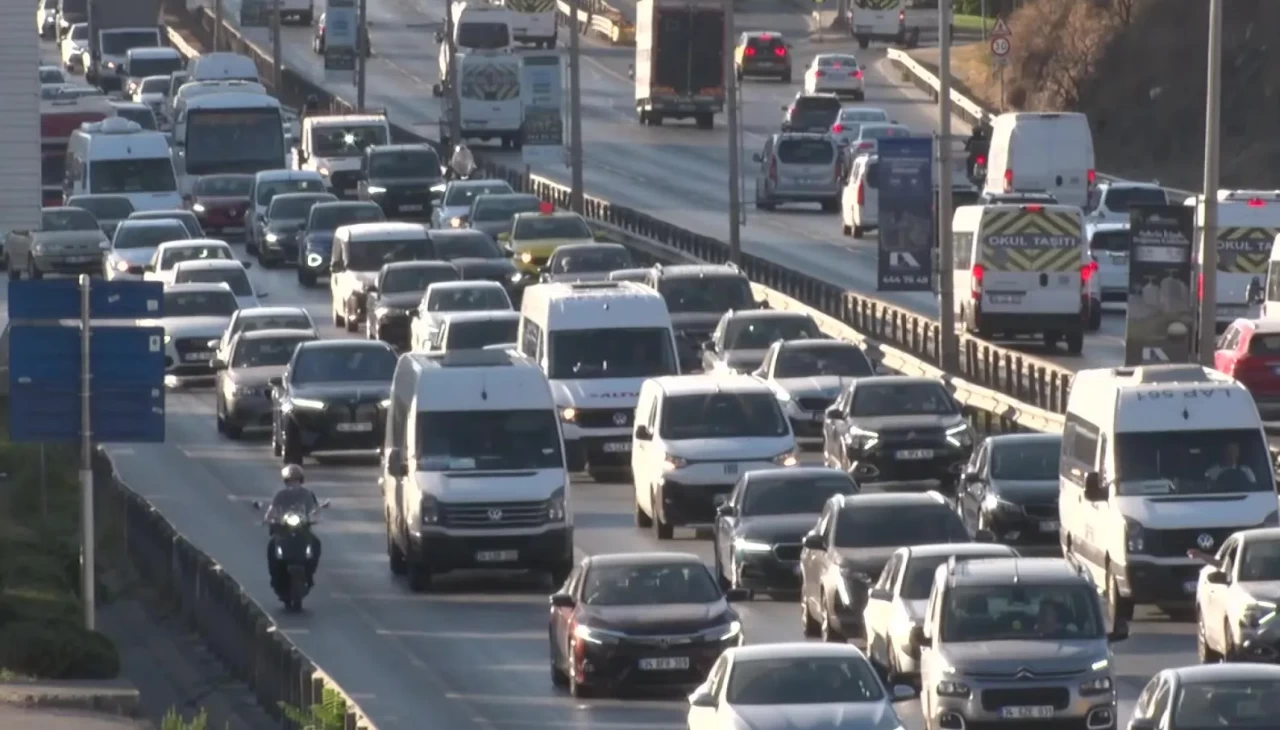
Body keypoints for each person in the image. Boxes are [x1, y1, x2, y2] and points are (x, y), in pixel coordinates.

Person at [265, 465, 322, 586]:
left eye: (296, 480)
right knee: (272, 545)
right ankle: (274, 576)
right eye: (290, 480)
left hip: (302, 527)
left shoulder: (307, 494)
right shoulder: (280, 494)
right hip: (284, 528)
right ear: (286, 481)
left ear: (301, 480)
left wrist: (314, 518)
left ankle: (310, 574)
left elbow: (315, 510)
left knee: (316, 543)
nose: (293, 483)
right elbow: (272, 510)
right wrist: (270, 519)